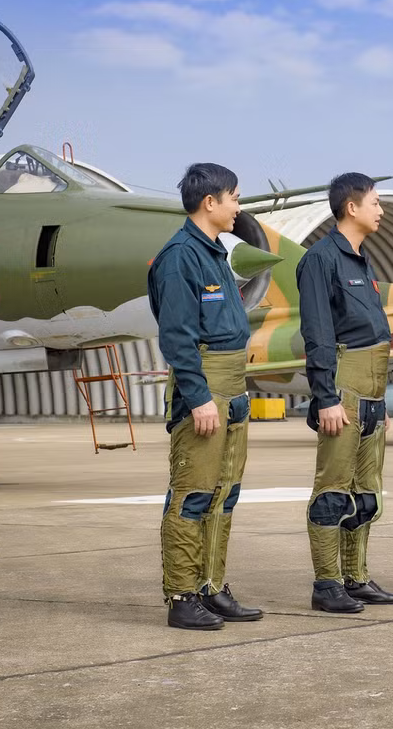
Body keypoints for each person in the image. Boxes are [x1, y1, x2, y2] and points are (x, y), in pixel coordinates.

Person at [147, 162, 263, 630]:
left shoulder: (216, 254)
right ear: (209, 201)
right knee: (192, 493)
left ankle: (211, 588)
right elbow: (177, 336)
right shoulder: (180, 257)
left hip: (233, 387)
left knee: (224, 494)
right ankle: (181, 596)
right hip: (205, 387)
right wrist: (197, 398)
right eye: (234, 197)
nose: (238, 206)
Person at [296, 172, 393, 613]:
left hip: (372, 393)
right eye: (375, 202)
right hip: (343, 390)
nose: (381, 211)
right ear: (352, 207)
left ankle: (355, 578)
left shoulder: (362, 259)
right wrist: (325, 397)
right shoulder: (321, 260)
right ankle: (327, 584)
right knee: (333, 492)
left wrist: (380, 402)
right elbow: (318, 334)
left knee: (366, 494)